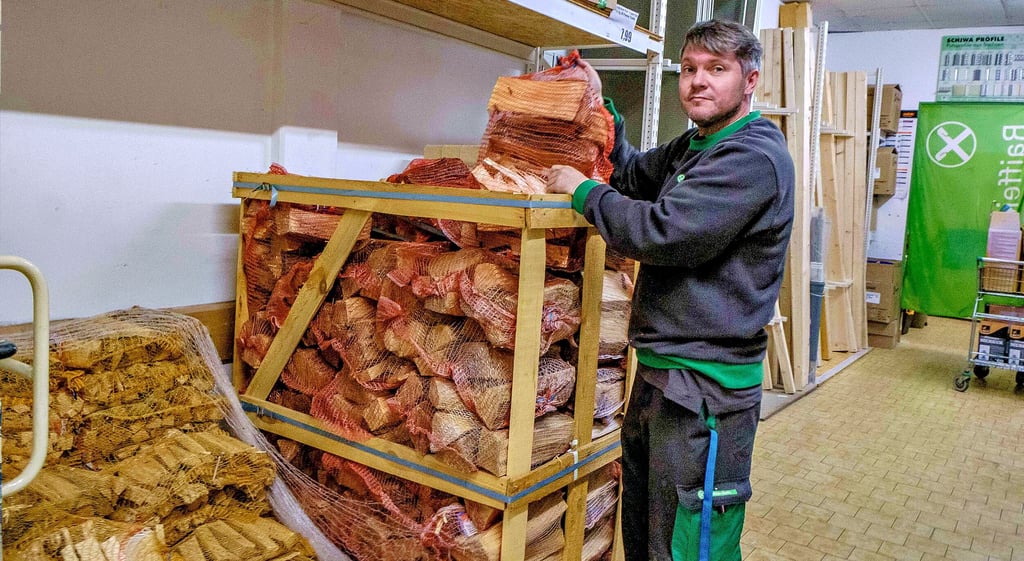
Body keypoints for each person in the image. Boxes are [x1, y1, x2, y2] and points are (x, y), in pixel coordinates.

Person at [546, 19, 795, 561]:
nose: (697, 82)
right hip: (663, 373)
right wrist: (601, 107)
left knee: (686, 542)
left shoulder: (751, 157)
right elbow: (634, 174)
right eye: (689, 69)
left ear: (749, 80)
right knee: (642, 529)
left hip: (705, 390)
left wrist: (582, 191)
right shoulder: (698, 144)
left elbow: (663, 233)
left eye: (716, 70)